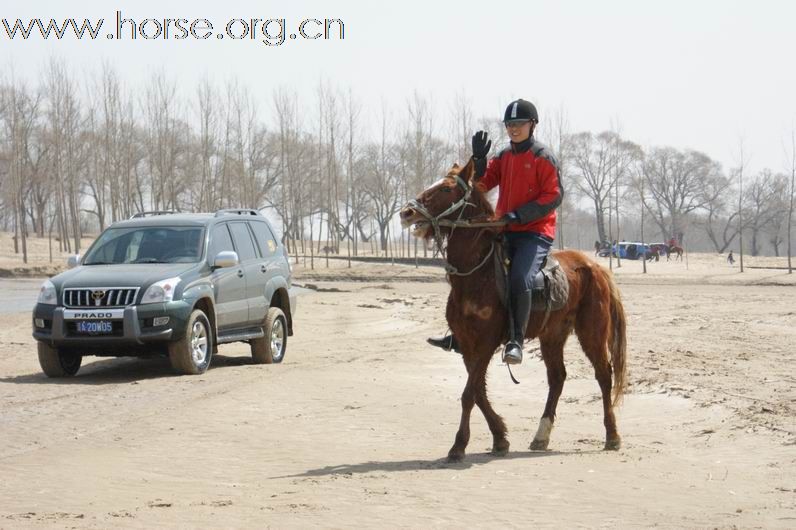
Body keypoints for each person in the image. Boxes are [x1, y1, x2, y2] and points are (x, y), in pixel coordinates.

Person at [428, 99, 563, 364]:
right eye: (510, 125)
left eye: (519, 124)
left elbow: (554, 196)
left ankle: (515, 341)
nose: (514, 129)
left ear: (532, 125)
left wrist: (520, 214)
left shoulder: (543, 158)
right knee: (472, 270)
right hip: (504, 229)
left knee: (519, 279)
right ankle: (459, 333)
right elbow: (482, 183)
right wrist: (479, 160)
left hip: (534, 233)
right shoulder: (502, 157)